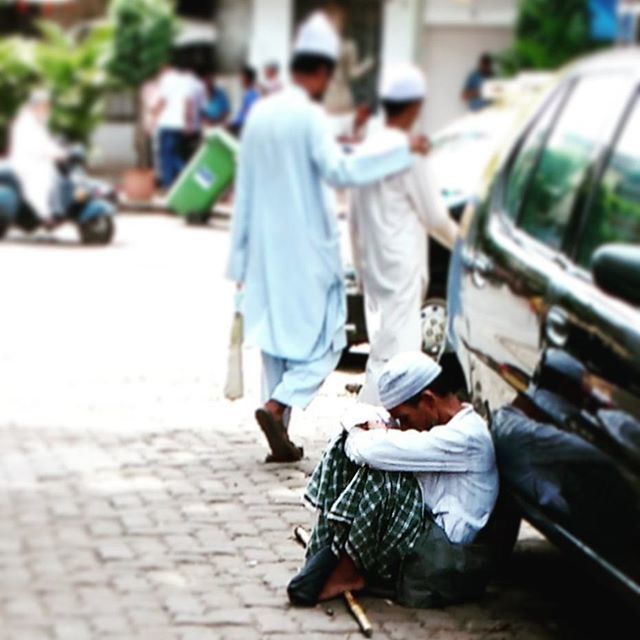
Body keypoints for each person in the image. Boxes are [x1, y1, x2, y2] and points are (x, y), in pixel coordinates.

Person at [226, 12, 427, 463]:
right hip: (306, 250)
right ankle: (277, 405)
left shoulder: (259, 114)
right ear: (319, 73)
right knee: (329, 341)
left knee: (276, 343)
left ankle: (279, 426)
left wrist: (238, 265)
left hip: (263, 250)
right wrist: (401, 150)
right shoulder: (309, 117)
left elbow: (245, 192)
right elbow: (341, 170)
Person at [288, 351, 499, 607]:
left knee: (384, 476)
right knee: (343, 445)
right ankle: (331, 551)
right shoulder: (438, 423)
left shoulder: (467, 437)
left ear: (428, 401)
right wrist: (365, 428)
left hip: (441, 545)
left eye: (405, 418)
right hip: (420, 522)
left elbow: (370, 450)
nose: (403, 425)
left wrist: (367, 432)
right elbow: (357, 417)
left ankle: (348, 569)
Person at [350, 64, 459, 404]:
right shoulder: (409, 153)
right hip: (401, 266)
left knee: (382, 350)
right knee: (397, 360)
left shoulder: (366, 149)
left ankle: (364, 434)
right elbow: (435, 217)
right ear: (415, 106)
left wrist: (360, 270)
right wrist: (466, 248)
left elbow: (353, 221)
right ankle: (363, 435)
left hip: (373, 266)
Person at [9, 89, 66, 226]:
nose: (46, 109)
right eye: (43, 105)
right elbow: (36, 146)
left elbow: (46, 142)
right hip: (27, 162)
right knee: (40, 180)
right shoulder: (26, 123)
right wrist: (54, 153)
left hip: (38, 160)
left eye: (47, 106)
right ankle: (43, 215)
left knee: (53, 175)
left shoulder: (39, 122)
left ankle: (55, 211)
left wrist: (60, 151)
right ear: (34, 106)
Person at [154, 60, 194, 189]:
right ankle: (186, 179)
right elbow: (188, 103)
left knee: (166, 156)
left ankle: (168, 184)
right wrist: (187, 122)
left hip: (166, 123)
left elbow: (162, 100)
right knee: (176, 155)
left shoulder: (166, 79)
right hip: (179, 124)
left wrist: (154, 115)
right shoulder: (185, 81)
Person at [228, 66, 260, 136]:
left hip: (242, 128)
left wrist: (232, 124)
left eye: (242, 77)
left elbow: (248, 115)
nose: (240, 80)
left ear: (247, 79)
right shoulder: (247, 93)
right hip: (238, 126)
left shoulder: (252, 95)